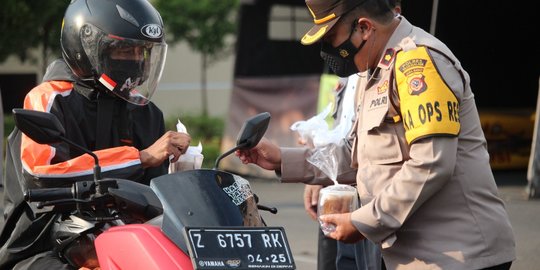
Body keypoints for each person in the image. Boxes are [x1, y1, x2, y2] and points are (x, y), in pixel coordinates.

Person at [237, 0, 516, 269]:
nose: (327, 50)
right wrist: (283, 160)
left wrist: (364, 221)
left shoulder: (418, 62)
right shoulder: (373, 70)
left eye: (332, 38)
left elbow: (431, 163)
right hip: (412, 255)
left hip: (457, 255)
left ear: (365, 28)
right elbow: (355, 155)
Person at [0, 0, 191, 269]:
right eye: (124, 49)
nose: (136, 60)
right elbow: (41, 175)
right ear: (85, 46)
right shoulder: (49, 99)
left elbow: (155, 196)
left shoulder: (147, 113)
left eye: (142, 51)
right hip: (45, 243)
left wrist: (182, 177)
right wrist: (140, 158)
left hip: (128, 239)